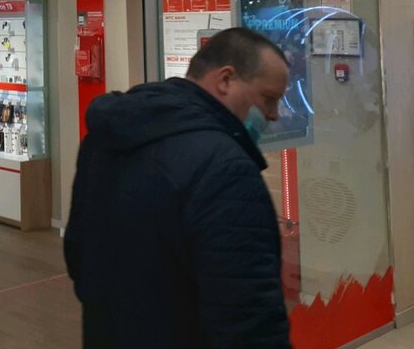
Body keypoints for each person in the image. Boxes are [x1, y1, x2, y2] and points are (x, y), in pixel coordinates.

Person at [64, 27, 292, 348]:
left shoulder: (103, 140)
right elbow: (247, 317)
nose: (274, 115)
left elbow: (79, 255)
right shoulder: (226, 169)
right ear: (225, 80)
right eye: (268, 99)